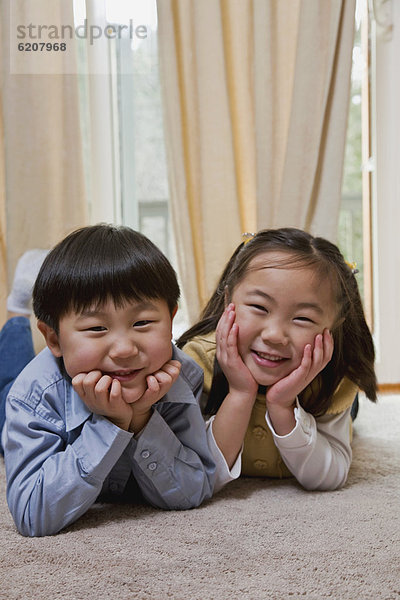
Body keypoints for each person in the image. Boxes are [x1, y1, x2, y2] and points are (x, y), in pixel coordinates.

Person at [1, 224, 215, 537]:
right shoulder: (33, 394)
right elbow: (31, 515)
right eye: (97, 329)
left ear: (171, 321)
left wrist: (141, 420)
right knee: (7, 374)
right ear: (54, 338)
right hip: (29, 393)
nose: (125, 349)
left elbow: (193, 490)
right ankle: (16, 314)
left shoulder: (182, 375)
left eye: (142, 323)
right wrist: (111, 424)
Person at [178, 228, 377, 492]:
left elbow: (330, 476)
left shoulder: (334, 377)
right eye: (259, 308)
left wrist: (282, 406)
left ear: (334, 326)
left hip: (315, 388)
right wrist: (240, 393)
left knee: (350, 412)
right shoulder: (196, 364)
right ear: (228, 301)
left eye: (302, 319)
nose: (274, 335)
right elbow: (197, 475)